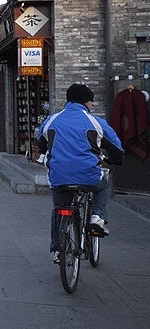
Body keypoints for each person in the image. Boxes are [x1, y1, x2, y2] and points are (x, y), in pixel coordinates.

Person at [38, 83, 123, 264]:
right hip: (88, 176)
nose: (93, 104)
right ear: (86, 102)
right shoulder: (96, 122)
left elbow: (41, 144)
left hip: (59, 176)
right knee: (103, 184)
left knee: (59, 209)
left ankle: (57, 249)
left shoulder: (51, 121)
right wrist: (116, 159)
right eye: (92, 101)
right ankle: (97, 216)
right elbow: (116, 147)